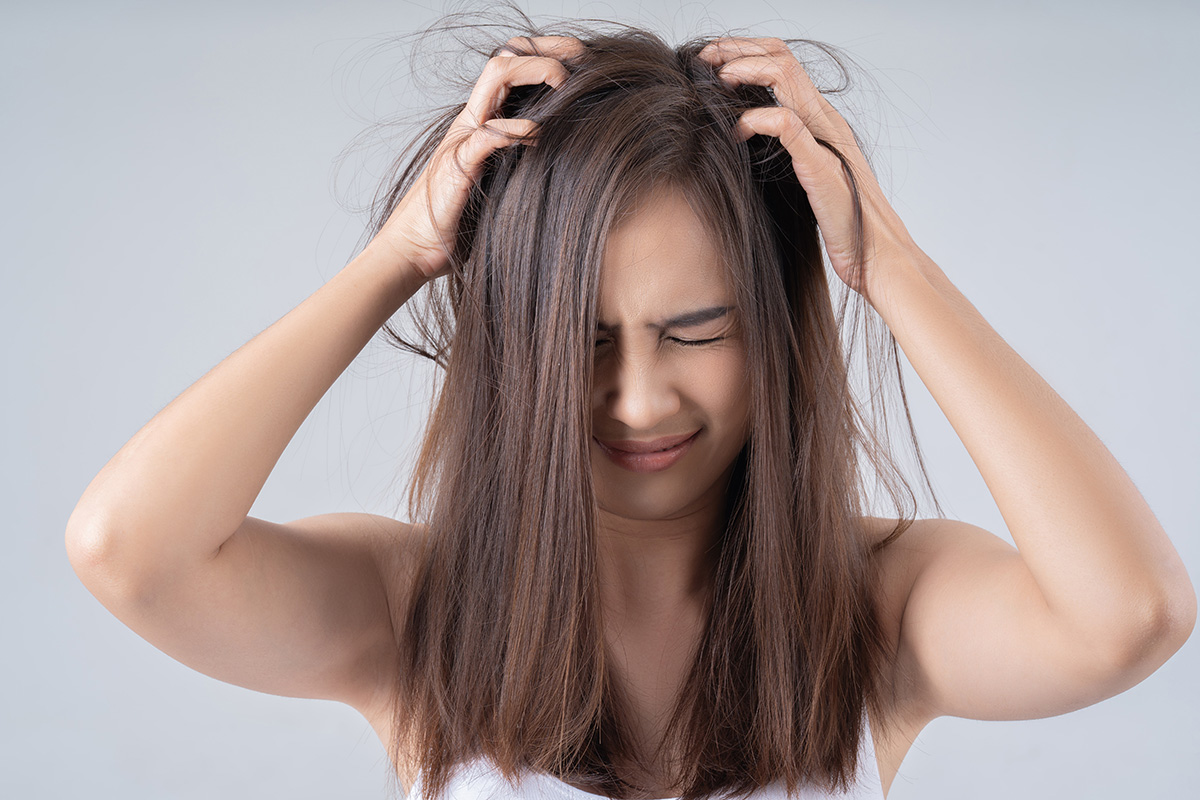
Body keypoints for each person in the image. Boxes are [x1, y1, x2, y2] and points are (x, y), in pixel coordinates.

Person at [64, 12, 1195, 800]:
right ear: (510, 346)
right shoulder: (414, 612)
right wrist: (403, 256)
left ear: (776, 329)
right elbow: (130, 547)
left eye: (697, 332)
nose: (639, 397)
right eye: (582, 342)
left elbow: (1130, 613)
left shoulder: (881, 607)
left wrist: (889, 267)